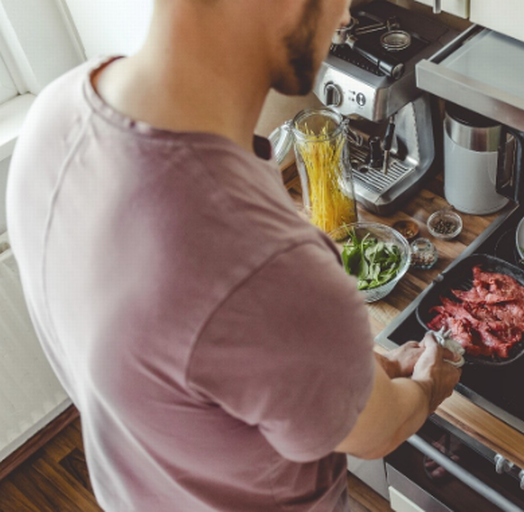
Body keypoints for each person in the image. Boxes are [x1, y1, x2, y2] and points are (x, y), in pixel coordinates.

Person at [5, 0, 462, 510]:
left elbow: (210, 362)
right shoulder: (270, 267)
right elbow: (377, 433)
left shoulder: (55, 115)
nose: (345, 18)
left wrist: (351, 364)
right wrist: (429, 385)